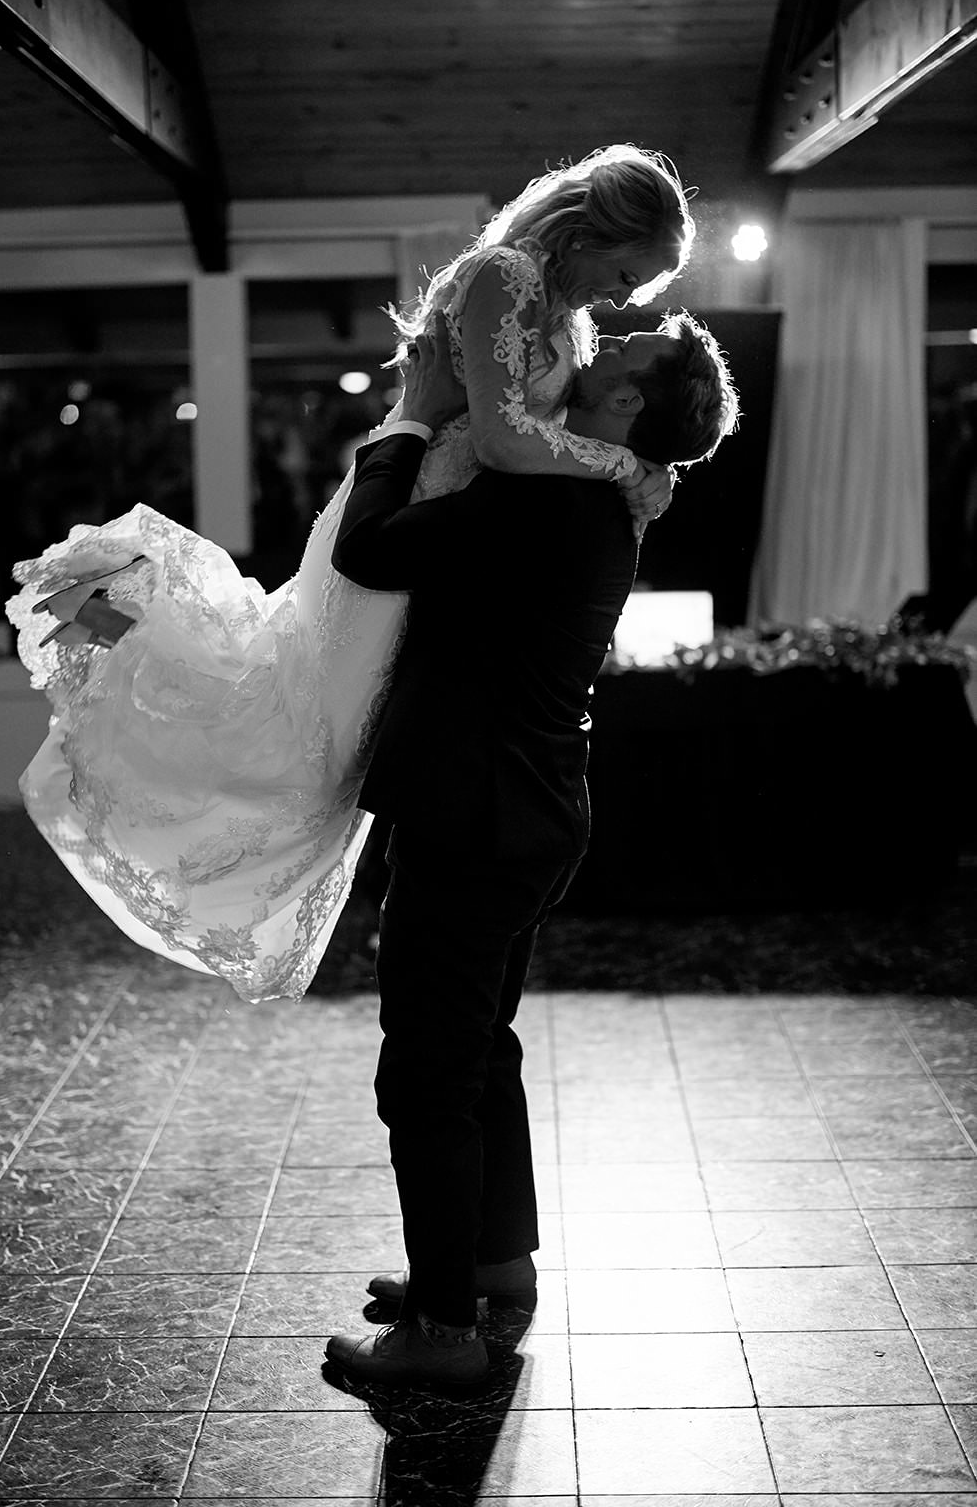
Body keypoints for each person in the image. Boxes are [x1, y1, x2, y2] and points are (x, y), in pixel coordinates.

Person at [5, 145, 711, 1003]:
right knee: (287, 704)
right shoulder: (505, 276)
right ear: (594, 230)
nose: (628, 297)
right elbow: (496, 440)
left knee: (317, 722)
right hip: (403, 501)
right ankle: (112, 608)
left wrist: (627, 463)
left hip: (438, 533)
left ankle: (118, 614)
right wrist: (620, 464)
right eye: (630, 272)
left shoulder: (570, 320)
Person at [321, 304, 737, 1388]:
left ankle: (443, 1333)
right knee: (479, 1047)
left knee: (424, 1072)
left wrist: (406, 422)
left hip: (475, 815)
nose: (601, 348)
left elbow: (368, 553)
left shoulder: (548, 495)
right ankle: (490, 1265)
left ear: (629, 401)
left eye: (624, 352)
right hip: (529, 811)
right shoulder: (595, 496)